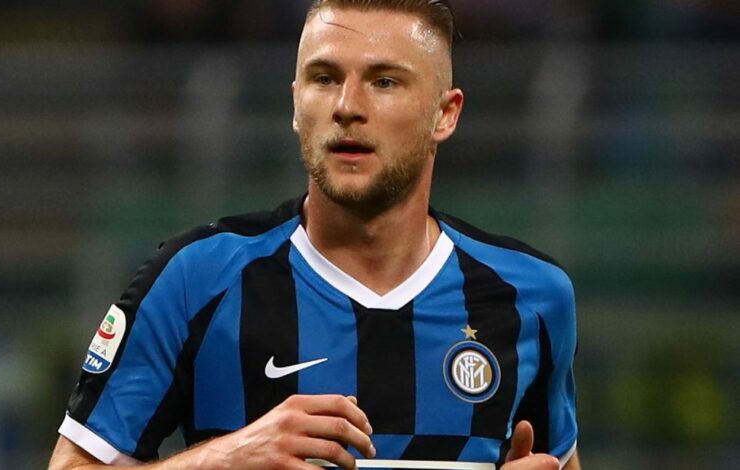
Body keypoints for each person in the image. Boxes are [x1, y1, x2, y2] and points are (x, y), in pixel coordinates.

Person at [49, 1, 580, 469]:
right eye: (324, 78)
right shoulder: (196, 281)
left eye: (384, 82)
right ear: (295, 103)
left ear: (445, 114)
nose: (347, 105)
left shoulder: (530, 298)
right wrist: (223, 459)